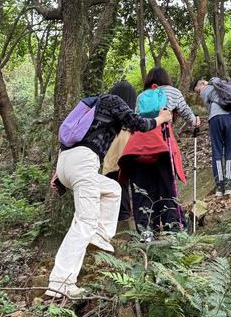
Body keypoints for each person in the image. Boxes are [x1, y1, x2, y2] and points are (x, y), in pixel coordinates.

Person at [47, 90, 171, 300]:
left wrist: (58, 174)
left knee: (112, 190)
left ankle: (100, 235)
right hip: (84, 161)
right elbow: (139, 124)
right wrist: (162, 118)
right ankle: (60, 283)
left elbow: (67, 142)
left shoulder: (91, 107)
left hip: (68, 162)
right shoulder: (113, 100)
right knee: (84, 223)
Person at [119, 67, 199, 241]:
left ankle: (147, 232)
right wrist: (195, 121)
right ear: (166, 78)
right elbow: (187, 113)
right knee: (167, 186)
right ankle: (173, 230)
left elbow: (135, 119)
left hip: (137, 146)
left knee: (142, 190)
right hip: (161, 143)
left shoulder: (141, 96)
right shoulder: (173, 92)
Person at [194, 78, 231, 197]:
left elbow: (209, 107)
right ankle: (229, 185)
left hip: (215, 118)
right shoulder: (226, 86)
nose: (199, 94)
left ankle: (220, 186)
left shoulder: (206, 88)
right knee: (230, 151)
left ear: (202, 83)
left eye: (198, 91)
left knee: (217, 151)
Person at [102, 80, 137, 223]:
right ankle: (134, 219)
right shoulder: (133, 120)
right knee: (132, 185)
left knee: (115, 186)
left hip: (111, 158)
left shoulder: (108, 119)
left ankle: (119, 220)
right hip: (131, 154)